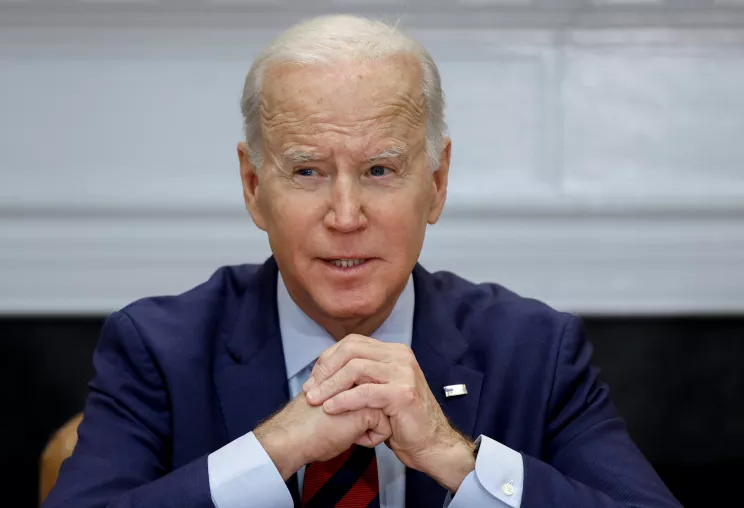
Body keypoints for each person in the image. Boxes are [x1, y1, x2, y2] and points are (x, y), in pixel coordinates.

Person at [44, 14, 681, 508]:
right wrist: (274, 449)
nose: (346, 216)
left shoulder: (534, 350)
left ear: (437, 182)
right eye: (307, 171)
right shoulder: (158, 349)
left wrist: (453, 457)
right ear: (253, 186)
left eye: (379, 170)